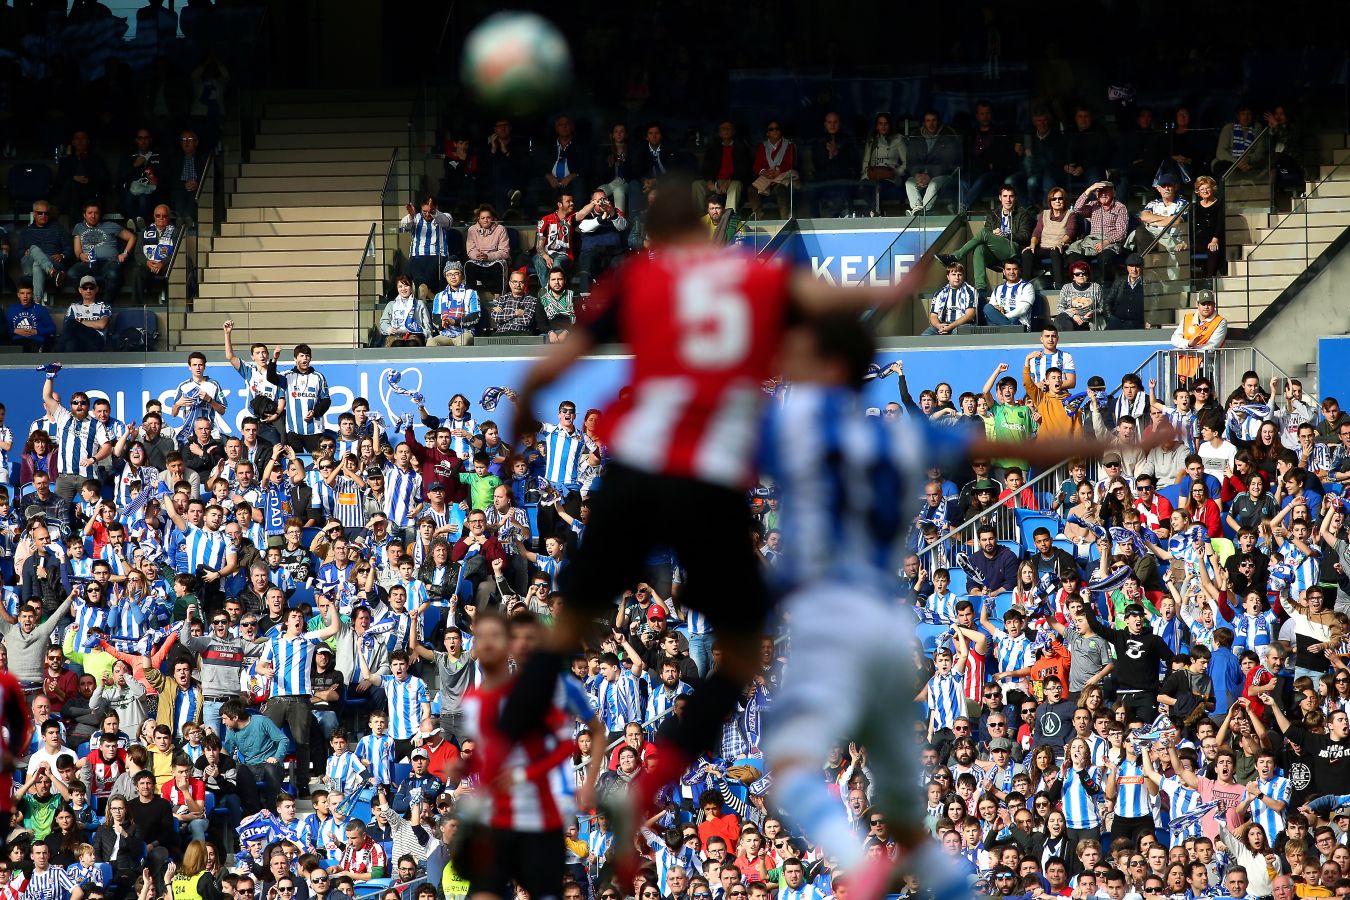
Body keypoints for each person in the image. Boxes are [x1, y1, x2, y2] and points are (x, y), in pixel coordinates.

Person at [499, 187, 930, 844]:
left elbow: (548, 370)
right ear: (705, 231)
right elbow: (824, 300)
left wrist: (521, 424)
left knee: (565, 632)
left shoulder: (635, 278)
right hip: (707, 481)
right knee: (739, 656)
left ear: (652, 238)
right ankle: (649, 784)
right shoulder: (754, 275)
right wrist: (896, 283)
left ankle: (496, 770)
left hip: (633, 468)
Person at [1068, 181, 1128, 285]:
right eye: (1100, 191)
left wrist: (1106, 242)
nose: (1103, 194)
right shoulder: (1093, 205)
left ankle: (1106, 285)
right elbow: (1077, 209)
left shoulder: (1120, 207)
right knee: (1075, 257)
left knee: (1105, 258)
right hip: (1091, 242)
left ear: (1113, 193)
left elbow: (1121, 233)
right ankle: (1081, 285)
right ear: (1096, 194)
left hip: (1110, 242)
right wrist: (1089, 190)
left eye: (1106, 191)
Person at [399, 197, 457, 299]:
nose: (427, 214)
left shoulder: (444, 216)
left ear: (436, 208)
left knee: (434, 267)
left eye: (429, 211)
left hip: (437, 256)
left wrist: (433, 212)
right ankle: (425, 290)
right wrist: (411, 215)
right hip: (417, 256)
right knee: (412, 265)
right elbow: (404, 227)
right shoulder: (416, 217)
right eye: (424, 211)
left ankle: (425, 290)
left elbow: (446, 222)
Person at [695, 120, 751, 215]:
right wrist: (709, 181)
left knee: (735, 186)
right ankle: (700, 218)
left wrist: (729, 181)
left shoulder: (741, 147)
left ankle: (728, 217)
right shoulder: (713, 148)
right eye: (723, 129)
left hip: (733, 181)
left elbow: (744, 169)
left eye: (728, 128)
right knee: (697, 185)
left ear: (733, 131)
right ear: (719, 132)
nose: (726, 131)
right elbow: (706, 168)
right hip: (715, 181)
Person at [1025, 187, 1077, 288]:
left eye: (1060, 198)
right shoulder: (1044, 214)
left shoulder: (1070, 214)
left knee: (1055, 252)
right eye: (1054, 199)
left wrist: (1060, 243)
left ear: (1064, 200)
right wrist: (1032, 245)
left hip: (1061, 247)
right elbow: (1037, 232)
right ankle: (1026, 286)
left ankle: (1059, 285)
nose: (1057, 201)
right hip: (1044, 246)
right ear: (1050, 201)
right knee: (1027, 253)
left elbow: (1071, 232)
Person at [748, 120, 799, 218]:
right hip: (767, 176)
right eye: (771, 129)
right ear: (767, 133)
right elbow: (756, 166)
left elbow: (790, 163)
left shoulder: (789, 145)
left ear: (781, 131)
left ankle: (784, 219)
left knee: (781, 189)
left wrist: (778, 171)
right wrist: (764, 172)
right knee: (752, 190)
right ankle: (759, 217)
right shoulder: (762, 146)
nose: (775, 131)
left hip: (782, 175)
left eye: (777, 128)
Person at [464, 205, 510, 299]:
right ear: (478, 219)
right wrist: (478, 255)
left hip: (494, 259)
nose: (485, 220)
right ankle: (471, 297)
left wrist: (488, 256)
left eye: (488, 217)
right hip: (478, 259)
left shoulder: (500, 229)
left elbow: (504, 252)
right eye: (483, 218)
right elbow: (470, 250)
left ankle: (498, 297)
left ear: (493, 218)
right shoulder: (472, 230)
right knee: (468, 264)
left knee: (500, 265)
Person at [378, 275, 435, 347]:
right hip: (396, 334)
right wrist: (388, 328)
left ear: (411, 287)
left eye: (406, 286)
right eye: (400, 286)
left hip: (415, 333)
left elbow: (426, 323)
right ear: (397, 288)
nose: (403, 289)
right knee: (398, 344)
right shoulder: (391, 305)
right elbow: (384, 322)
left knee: (412, 344)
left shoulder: (419, 304)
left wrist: (428, 337)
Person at [922, 263, 978, 336]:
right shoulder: (939, 293)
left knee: (955, 334)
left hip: (964, 325)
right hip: (943, 324)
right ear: (948, 276)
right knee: (926, 335)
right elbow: (933, 316)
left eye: (959, 275)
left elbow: (969, 315)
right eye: (954, 274)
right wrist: (939, 326)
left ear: (963, 276)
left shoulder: (971, 291)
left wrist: (951, 326)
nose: (957, 277)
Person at [60, 277, 112, 353]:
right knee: (70, 343)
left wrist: (80, 321)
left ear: (96, 289)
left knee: (72, 324)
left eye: (91, 287)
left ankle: (55, 355)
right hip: (78, 341)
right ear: (80, 290)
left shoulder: (103, 306)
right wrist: (92, 324)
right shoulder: (74, 307)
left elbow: (101, 324)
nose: (88, 290)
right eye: (85, 288)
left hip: (97, 340)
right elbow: (67, 328)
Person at [982, 259, 1036, 330]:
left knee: (1013, 319)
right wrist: (997, 311)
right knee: (987, 307)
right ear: (1004, 272)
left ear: (1019, 270)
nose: (1011, 272)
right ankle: (1008, 328)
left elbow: (1023, 309)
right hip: (999, 322)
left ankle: (1008, 328)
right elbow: (992, 308)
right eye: (1008, 269)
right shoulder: (998, 288)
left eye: (1014, 269)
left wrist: (1003, 317)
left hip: (1019, 323)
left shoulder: (1027, 287)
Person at [6, 283, 57, 353]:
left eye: (28, 293)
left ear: (32, 295)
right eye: (22, 293)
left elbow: (52, 328)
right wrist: (15, 331)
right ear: (18, 295)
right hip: (17, 342)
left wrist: (37, 331)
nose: (25, 296)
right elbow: (4, 330)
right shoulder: (11, 309)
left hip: (36, 342)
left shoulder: (40, 309)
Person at [1104, 253, 1146, 330]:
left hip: (1137, 324)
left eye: (1137, 266)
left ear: (1142, 267)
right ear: (1127, 267)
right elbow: (1108, 301)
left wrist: (1149, 321)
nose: (1134, 270)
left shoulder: (1147, 283)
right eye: (1131, 266)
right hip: (1117, 322)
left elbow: (1154, 304)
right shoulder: (1120, 281)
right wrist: (1110, 318)